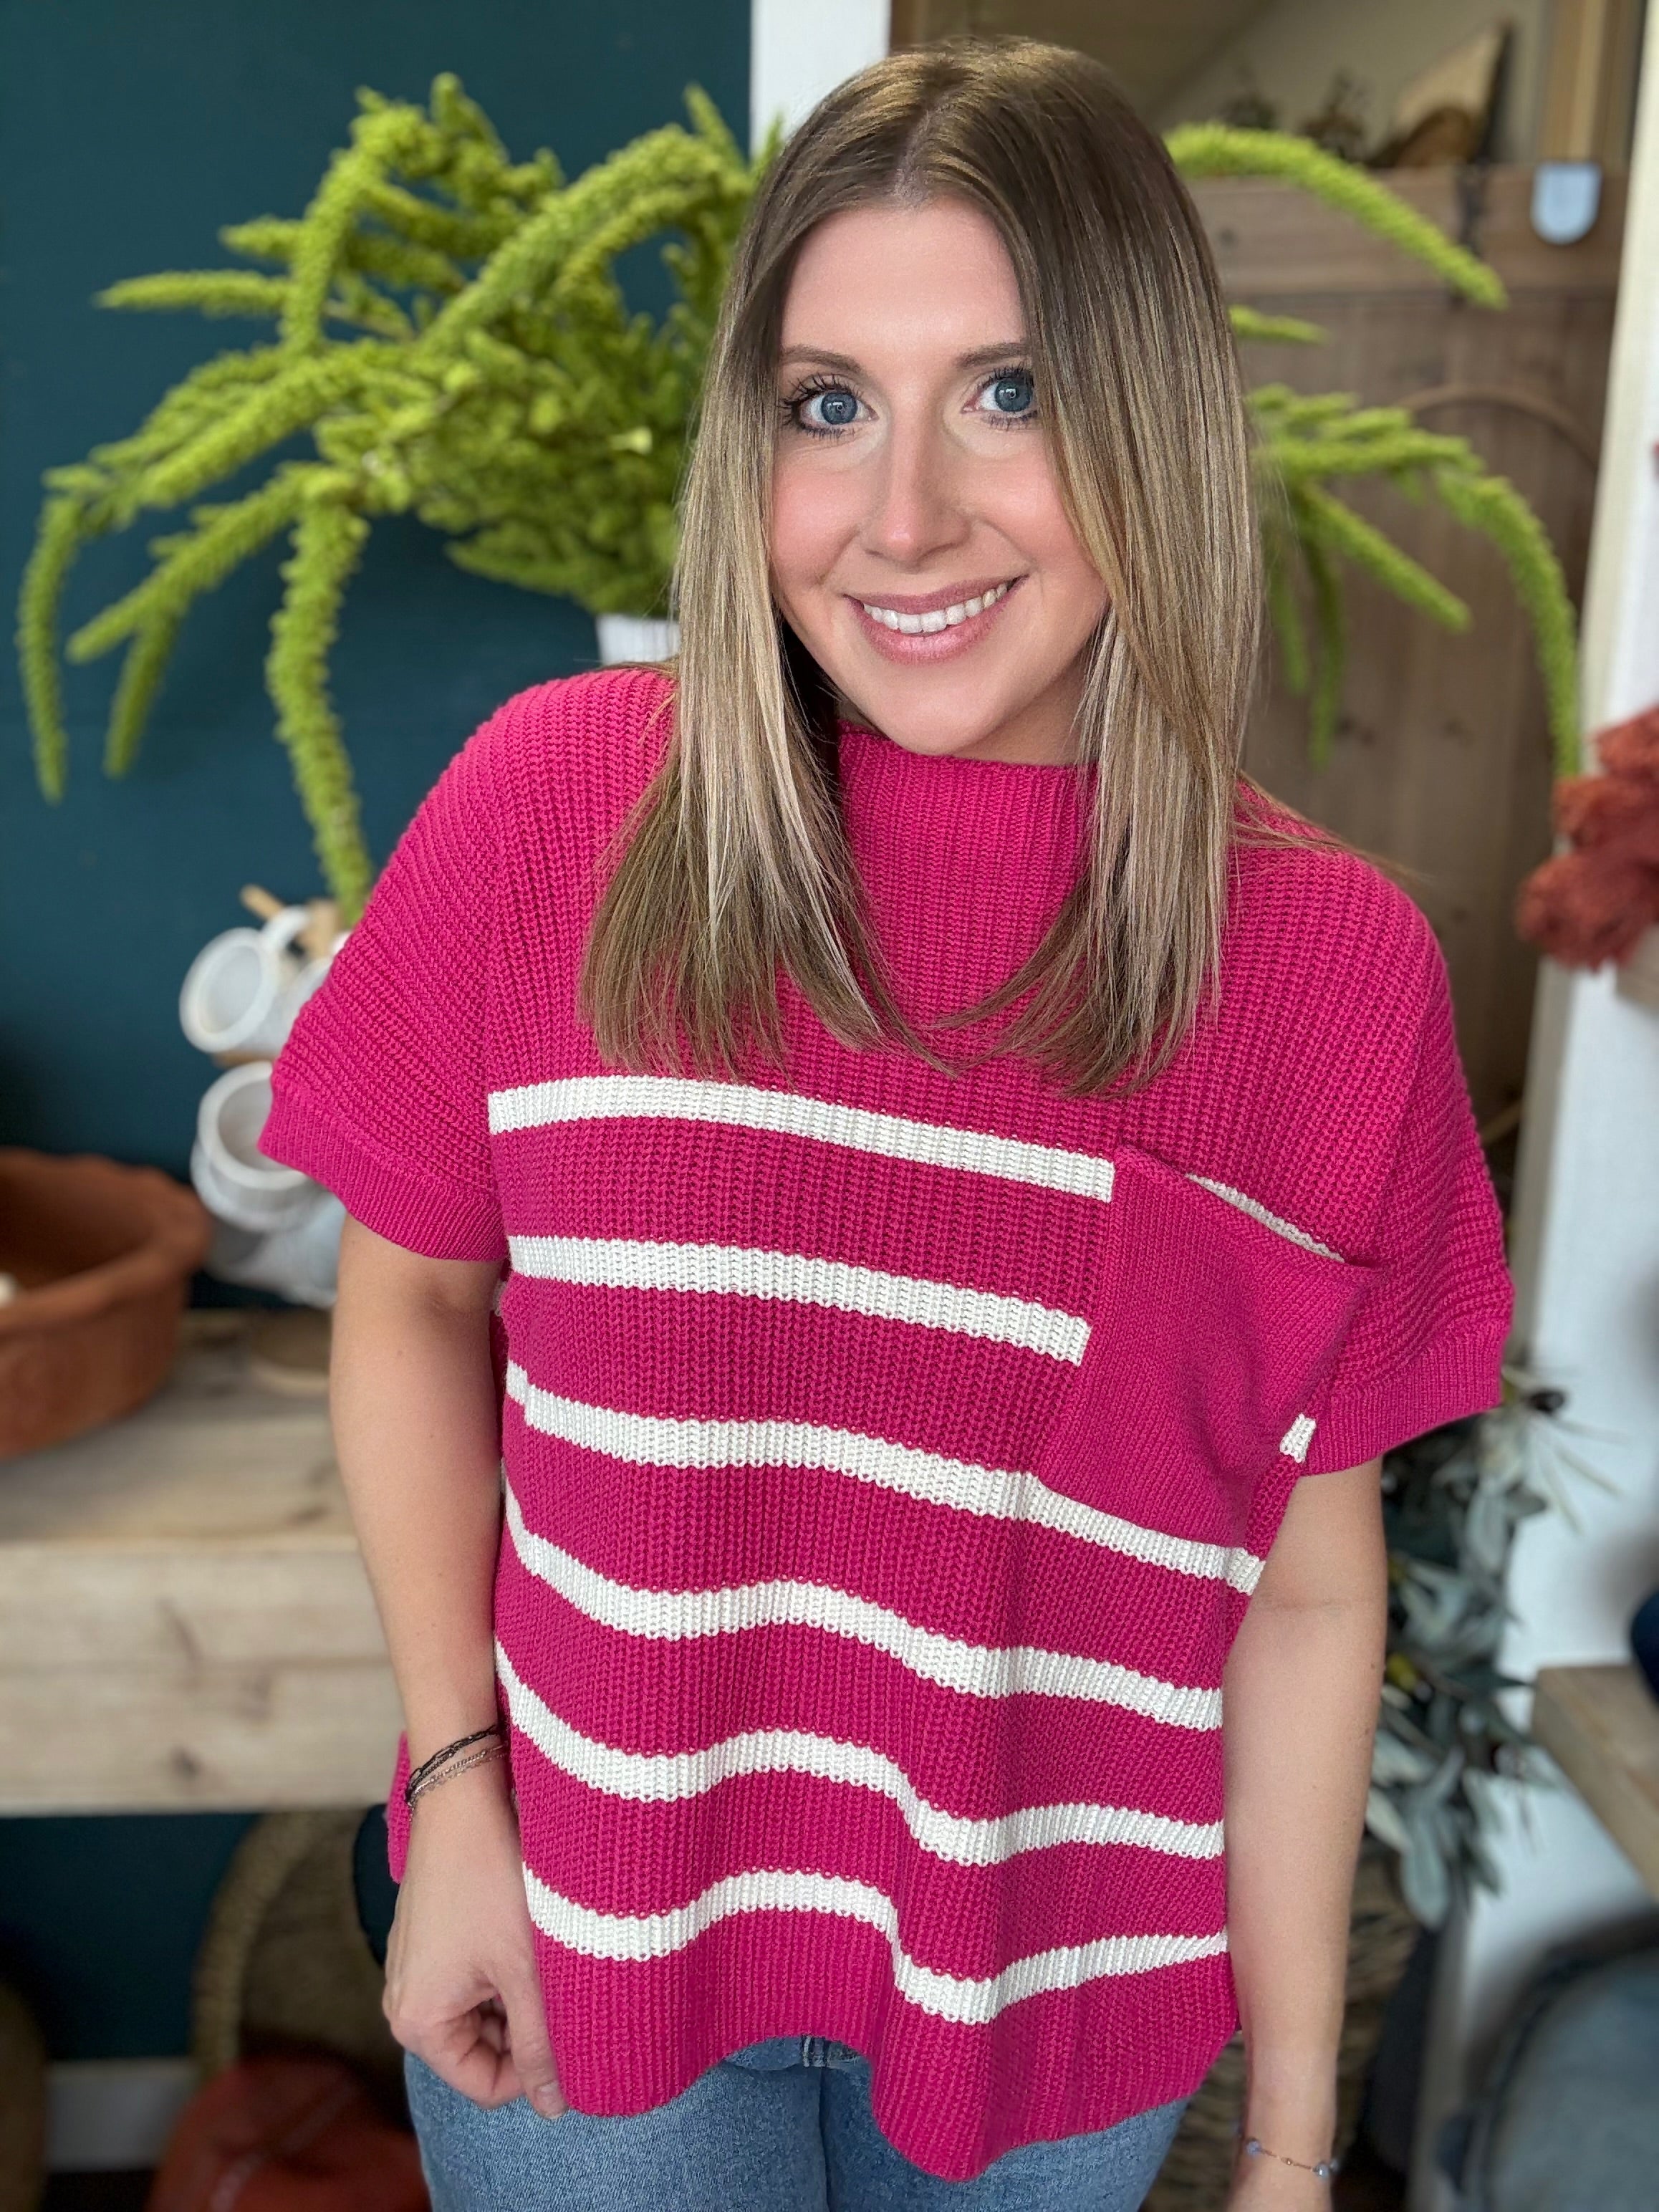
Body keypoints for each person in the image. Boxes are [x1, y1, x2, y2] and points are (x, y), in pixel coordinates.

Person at [262, 37, 1511, 2212]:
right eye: (826, 405)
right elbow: (412, 1306)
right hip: (586, 1935)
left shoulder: (1325, 976)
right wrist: (457, 1788)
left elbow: (1308, 1605)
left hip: (1065, 2018)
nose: (900, 515)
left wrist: (1297, 2146)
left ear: (1154, 430)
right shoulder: (557, 811)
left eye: (1007, 395)